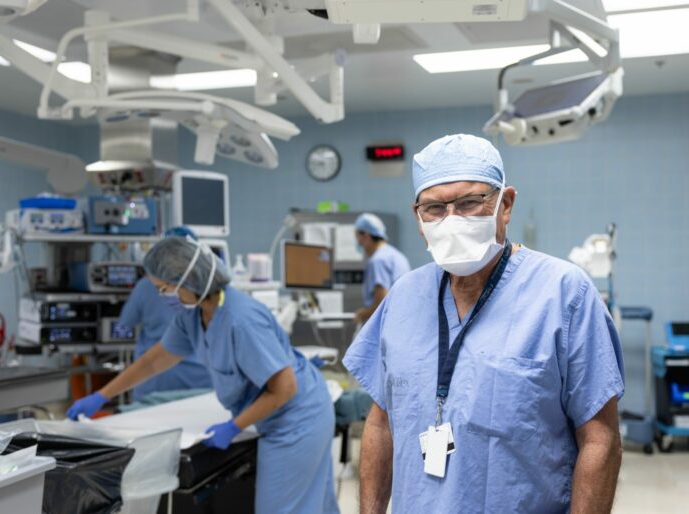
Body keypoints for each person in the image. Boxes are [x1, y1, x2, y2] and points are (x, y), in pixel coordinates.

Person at [343, 134, 624, 514]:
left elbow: (600, 439)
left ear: (505, 205)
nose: (452, 219)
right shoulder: (404, 297)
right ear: (419, 218)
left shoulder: (563, 294)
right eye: (435, 208)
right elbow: (381, 424)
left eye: (470, 202)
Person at [67, 236, 340, 514]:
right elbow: (153, 362)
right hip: (283, 413)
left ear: (189, 281)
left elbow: (284, 388)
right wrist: (101, 395)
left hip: (297, 420)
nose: (163, 297)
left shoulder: (240, 320)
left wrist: (234, 426)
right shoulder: (192, 316)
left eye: (165, 289)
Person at [117, 227, 212, 400]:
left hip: (156, 382)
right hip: (199, 379)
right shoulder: (206, 289)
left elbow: (123, 328)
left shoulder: (145, 287)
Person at [353, 213, 410, 324]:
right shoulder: (396, 255)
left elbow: (381, 303)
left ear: (366, 235)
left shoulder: (378, 260)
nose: (359, 244)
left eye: (358, 239)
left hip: (388, 323)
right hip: (402, 320)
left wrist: (362, 313)